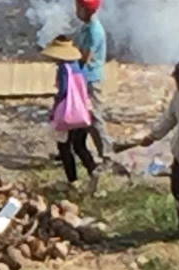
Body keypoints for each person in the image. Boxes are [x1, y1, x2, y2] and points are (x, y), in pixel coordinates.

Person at [138, 60, 179, 245]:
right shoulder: (178, 97)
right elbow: (169, 118)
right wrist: (153, 136)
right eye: (178, 80)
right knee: (178, 191)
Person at [44, 36, 99, 190]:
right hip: (82, 109)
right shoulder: (80, 66)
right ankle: (93, 170)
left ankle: (73, 181)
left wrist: (55, 109)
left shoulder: (63, 68)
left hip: (68, 111)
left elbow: (63, 92)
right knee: (80, 145)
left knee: (64, 146)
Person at [73, 0, 114, 162]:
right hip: (84, 77)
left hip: (91, 79)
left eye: (77, 7)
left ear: (84, 9)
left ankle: (107, 154)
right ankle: (72, 148)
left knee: (94, 117)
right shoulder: (86, 27)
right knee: (76, 114)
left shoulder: (94, 31)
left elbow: (86, 57)